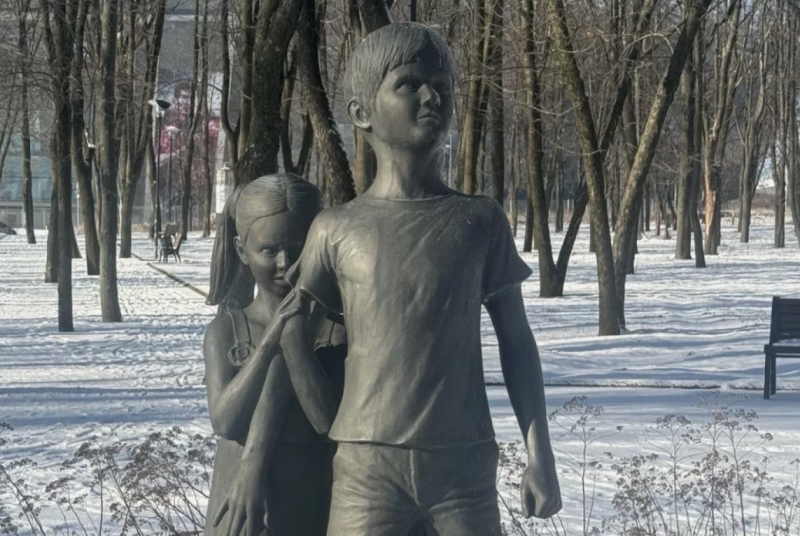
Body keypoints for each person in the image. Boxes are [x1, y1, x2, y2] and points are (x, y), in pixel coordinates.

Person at [268, 22, 562, 536]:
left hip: (462, 462)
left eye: (442, 85)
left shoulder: (479, 222)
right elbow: (293, 332)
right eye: (409, 84)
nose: (432, 97)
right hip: (367, 467)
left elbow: (516, 340)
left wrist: (541, 453)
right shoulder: (336, 230)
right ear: (361, 112)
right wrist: (325, 425)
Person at [202, 174, 345, 536]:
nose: (286, 263)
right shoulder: (225, 332)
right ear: (241, 251)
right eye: (269, 250)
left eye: (299, 248)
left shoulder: (339, 331)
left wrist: (294, 340)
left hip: (314, 492)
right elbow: (226, 421)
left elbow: (328, 421)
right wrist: (268, 344)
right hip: (239, 503)